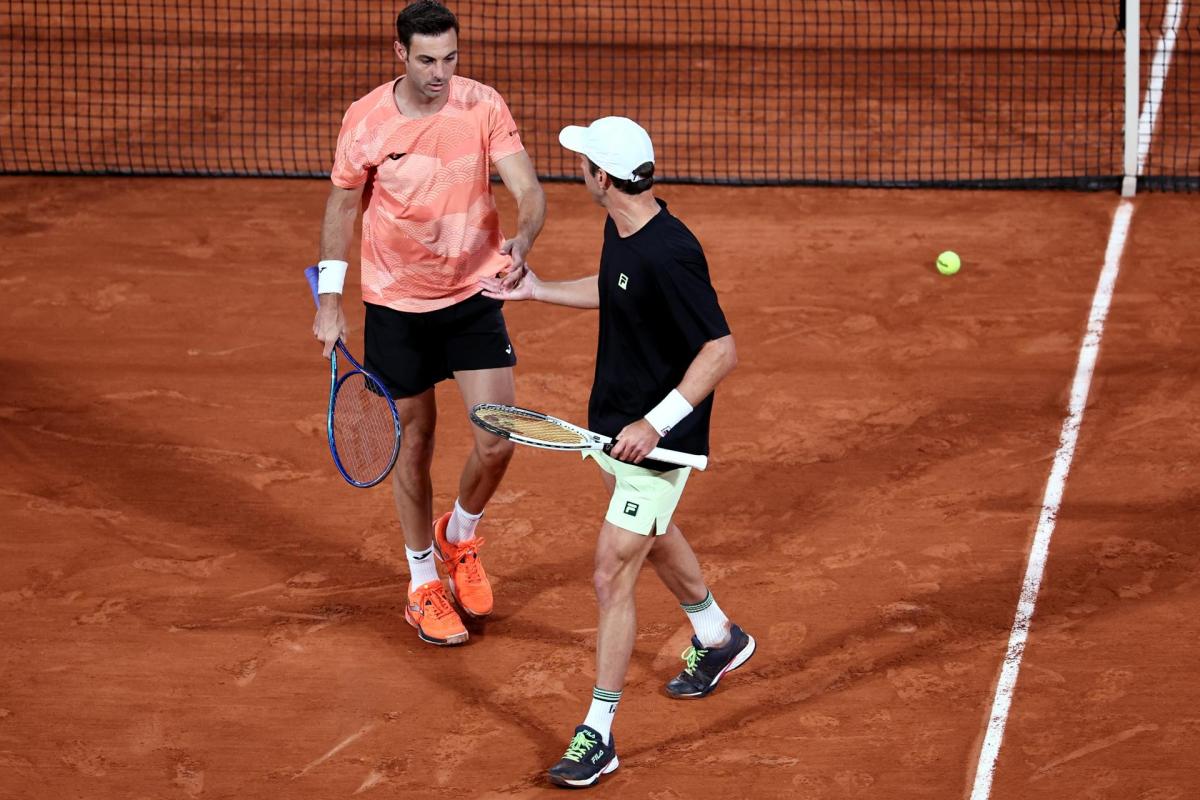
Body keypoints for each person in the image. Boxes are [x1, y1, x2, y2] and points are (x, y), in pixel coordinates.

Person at [479, 116, 755, 789]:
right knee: (652, 539)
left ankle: (598, 735)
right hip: (615, 424)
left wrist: (657, 425)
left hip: (659, 438)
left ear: (601, 177)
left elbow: (720, 350)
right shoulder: (623, 229)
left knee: (610, 572)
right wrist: (537, 290)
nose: (579, 172)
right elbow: (614, 292)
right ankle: (720, 638)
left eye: (583, 164)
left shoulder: (670, 251)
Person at [312, 0, 545, 647]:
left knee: (497, 439)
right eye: (427, 60)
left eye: (450, 58)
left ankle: (460, 538)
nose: (441, 73)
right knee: (415, 444)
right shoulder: (366, 121)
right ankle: (422, 585)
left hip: (473, 296)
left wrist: (523, 240)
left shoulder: (482, 106)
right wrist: (331, 299)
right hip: (396, 305)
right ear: (400, 54)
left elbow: (527, 189)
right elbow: (340, 207)